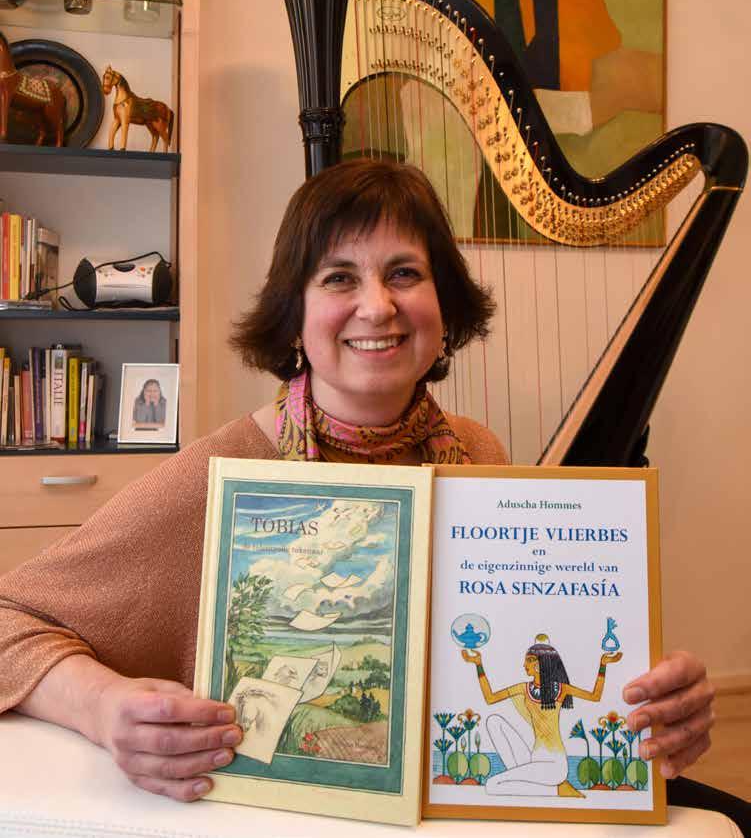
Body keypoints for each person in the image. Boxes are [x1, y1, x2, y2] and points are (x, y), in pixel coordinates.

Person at [0, 159, 732, 824]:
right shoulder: (220, 473)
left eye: (405, 273)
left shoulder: (479, 455)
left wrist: (649, 709)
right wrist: (104, 707)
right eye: (338, 278)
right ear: (293, 314)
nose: (377, 306)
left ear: (445, 307)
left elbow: (524, 668)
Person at [461, 634, 622, 796]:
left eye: (528, 660)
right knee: (494, 722)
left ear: (539, 664)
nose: (524, 665)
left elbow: (595, 696)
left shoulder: (561, 689)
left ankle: (557, 790)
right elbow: (490, 698)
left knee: (492, 785)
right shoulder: (524, 688)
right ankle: (549, 787)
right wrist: (478, 664)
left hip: (554, 765)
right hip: (534, 759)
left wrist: (603, 665)